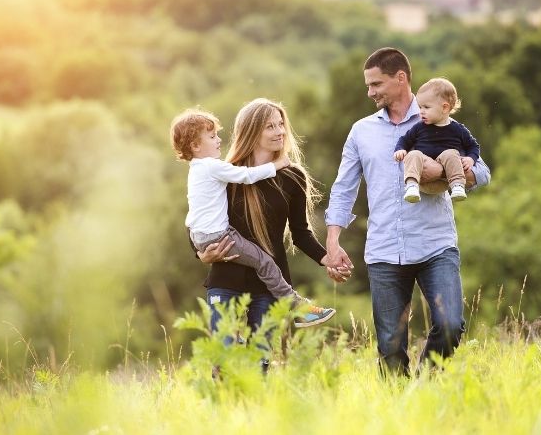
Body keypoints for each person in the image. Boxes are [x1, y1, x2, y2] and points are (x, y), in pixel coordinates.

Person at [324, 47, 491, 376]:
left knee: (450, 325)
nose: (370, 92)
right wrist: (333, 240)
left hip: (435, 244)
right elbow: (344, 187)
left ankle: (425, 388)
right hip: (384, 249)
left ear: (401, 79)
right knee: (390, 346)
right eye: (368, 86)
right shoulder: (362, 131)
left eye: (376, 84)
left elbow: (482, 173)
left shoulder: (443, 121)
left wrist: (448, 172)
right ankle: (399, 413)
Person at [170, 107, 335, 328]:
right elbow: (198, 217)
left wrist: (328, 259)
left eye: (280, 124)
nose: (280, 132)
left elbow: (301, 233)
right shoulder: (227, 172)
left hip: (268, 287)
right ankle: (297, 306)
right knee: (224, 355)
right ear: (252, 131)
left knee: (261, 359)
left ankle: (299, 307)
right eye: (270, 126)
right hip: (226, 280)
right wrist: (202, 255)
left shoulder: (292, 176)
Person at [393, 77, 480, 203]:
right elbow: (404, 140)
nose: (421, 112)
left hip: (445, 182)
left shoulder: (458, 129)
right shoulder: (419, 127)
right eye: (420, 107)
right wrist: (400, 149)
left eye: (426, 107)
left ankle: (457, 186)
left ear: (445, 108)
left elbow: (473, 146)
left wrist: (471, 158)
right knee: (413, 154)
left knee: (451, 153)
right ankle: (411, 186)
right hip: (423, 179)